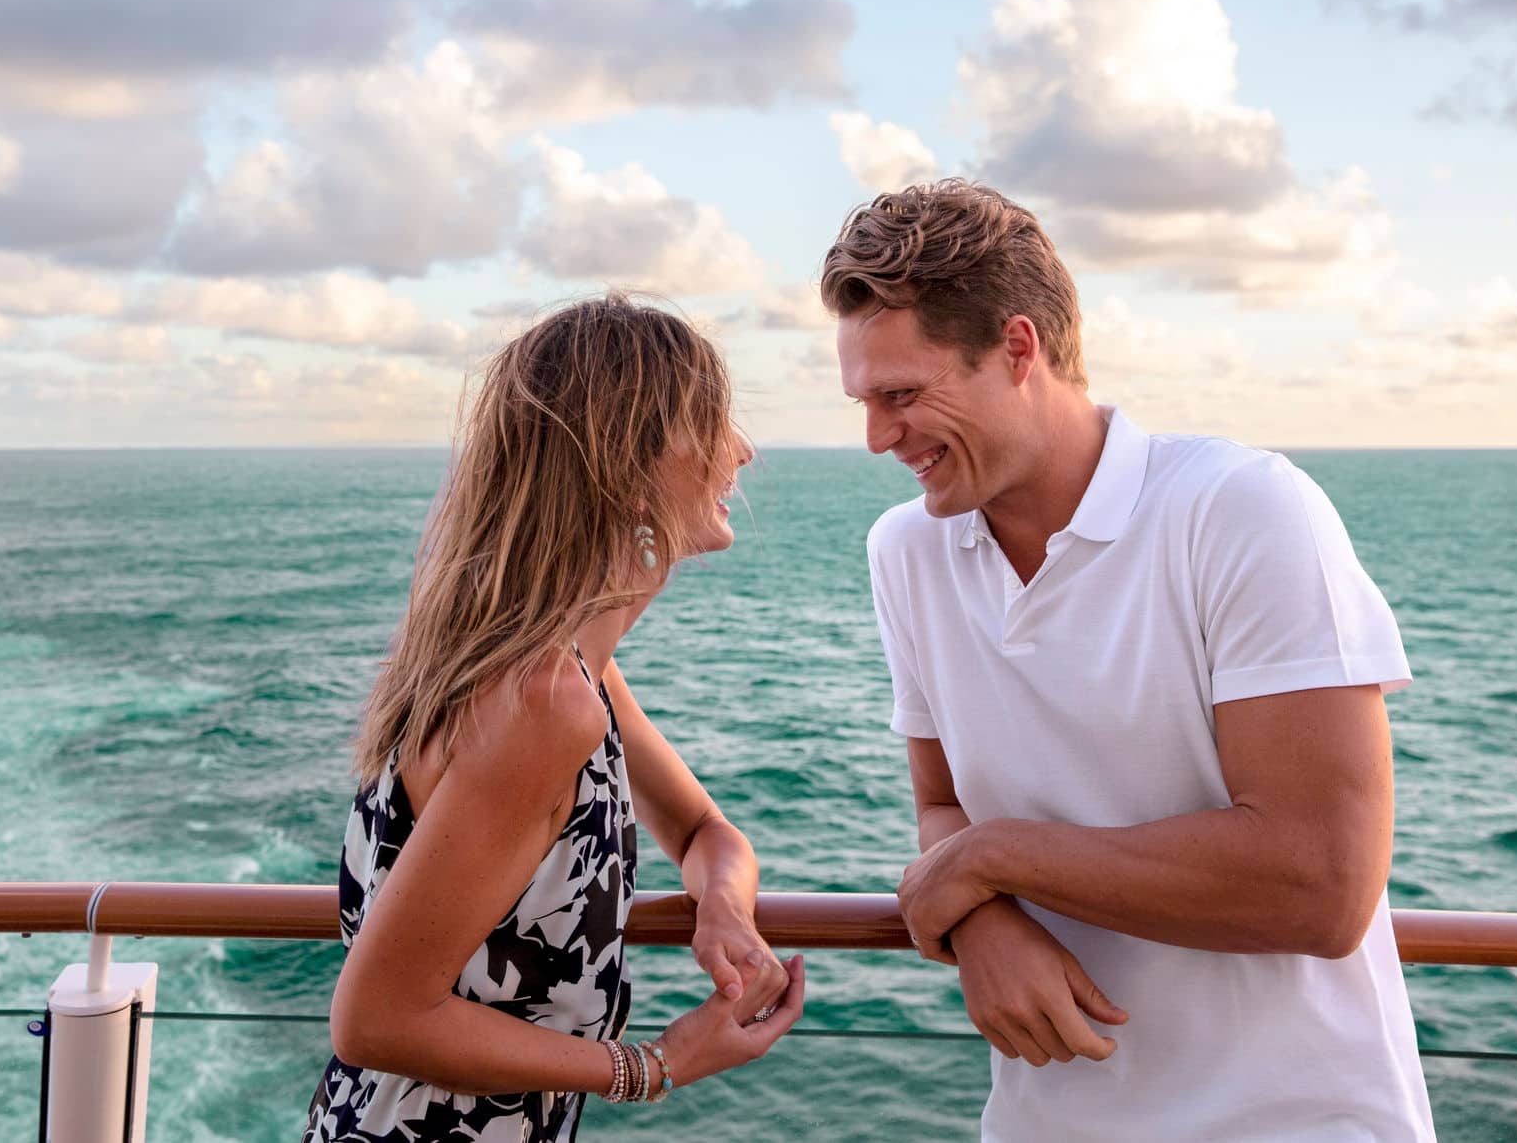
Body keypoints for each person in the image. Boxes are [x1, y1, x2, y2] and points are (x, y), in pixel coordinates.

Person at [825, 181, 1434, 1141]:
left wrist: (989, 860)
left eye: (904, 394)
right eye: (866, 400)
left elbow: (1323, 884)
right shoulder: (906, 551)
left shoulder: (1242, 508)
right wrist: (981, 919)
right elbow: (942, 806)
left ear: (1019, 349)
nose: (877, 438)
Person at [304, 293, 805, 1143]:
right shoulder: (542, 698)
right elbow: (376, 1016)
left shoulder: (570, 669)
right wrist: (655, 1063)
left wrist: (722, 903)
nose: (740, 451)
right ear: (629, 461)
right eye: (712, 424)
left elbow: (705, 831)